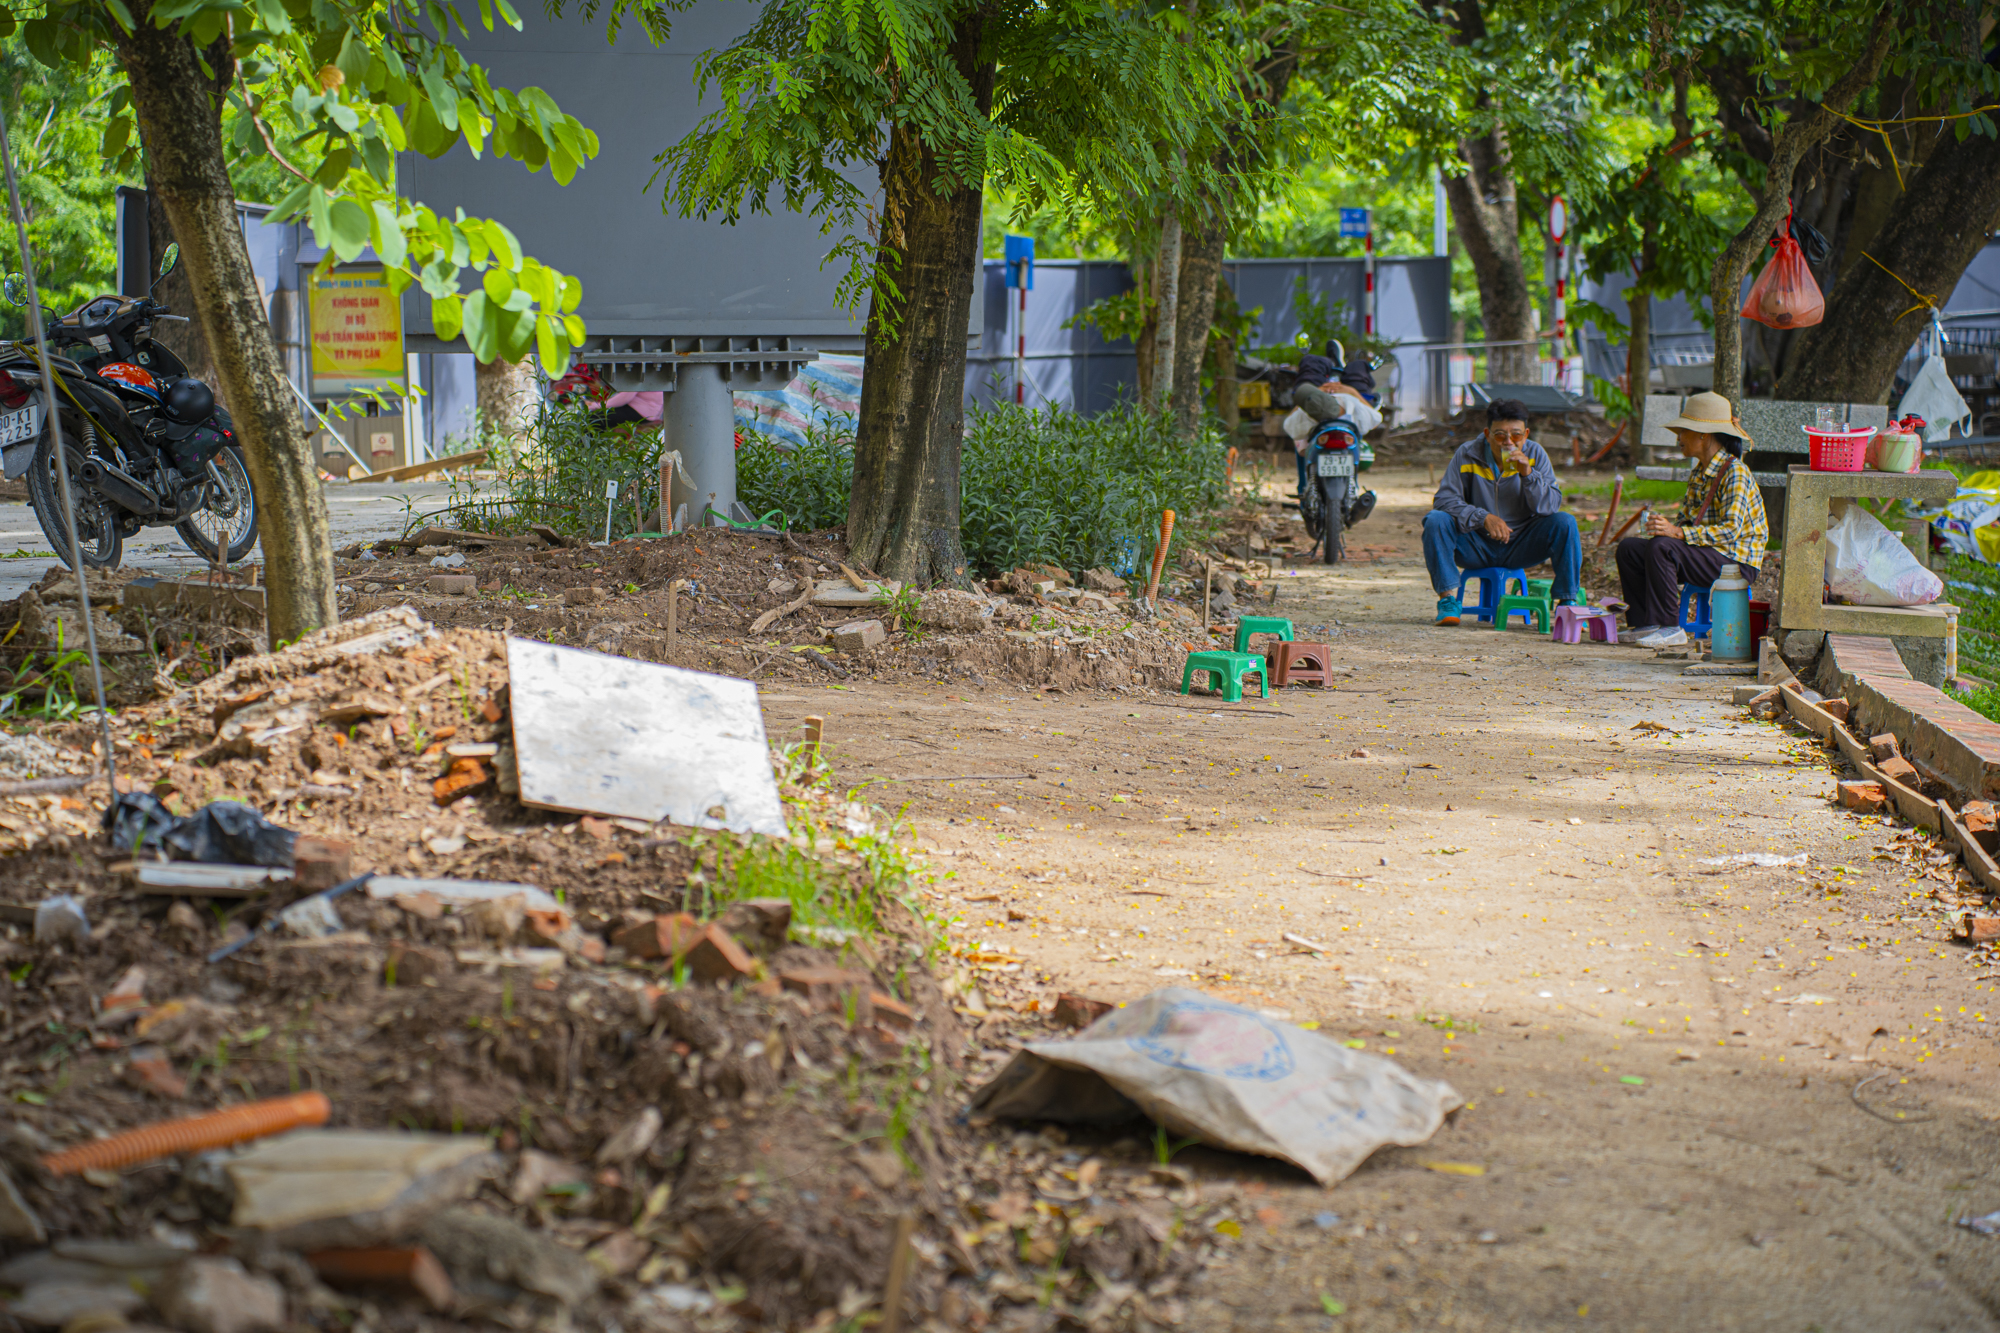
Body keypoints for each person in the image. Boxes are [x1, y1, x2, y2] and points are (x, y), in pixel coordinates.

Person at [1615, 390, 1767, 647]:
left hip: (1735, 562)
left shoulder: (1735, 473)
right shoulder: (1699, 472)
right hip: (1707, 552)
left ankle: (1671, 628)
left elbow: (1730, 531)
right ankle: (1645, 624)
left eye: (1683, 432)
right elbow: (1686, 524)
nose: (1678, 439)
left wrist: (1675, 534)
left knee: (1662, 547)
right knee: (1629, 549)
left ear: (1703, 434)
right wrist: (1666, 528)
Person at [1425, 399, 1581, 625]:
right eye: (1500, 435)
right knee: (1435, 520)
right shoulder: (1468, 453)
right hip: (1476, 544)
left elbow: (1549, 507)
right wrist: (1483, 517)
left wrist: (1528, 473)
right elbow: (1444, 500)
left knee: (1565, 522)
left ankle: (1567, 604)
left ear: (1525, 434)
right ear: (1487, 434)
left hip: (1522, 545)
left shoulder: (1536, 454)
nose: (1508, 442)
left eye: (1516, 435)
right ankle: (1448, 601)